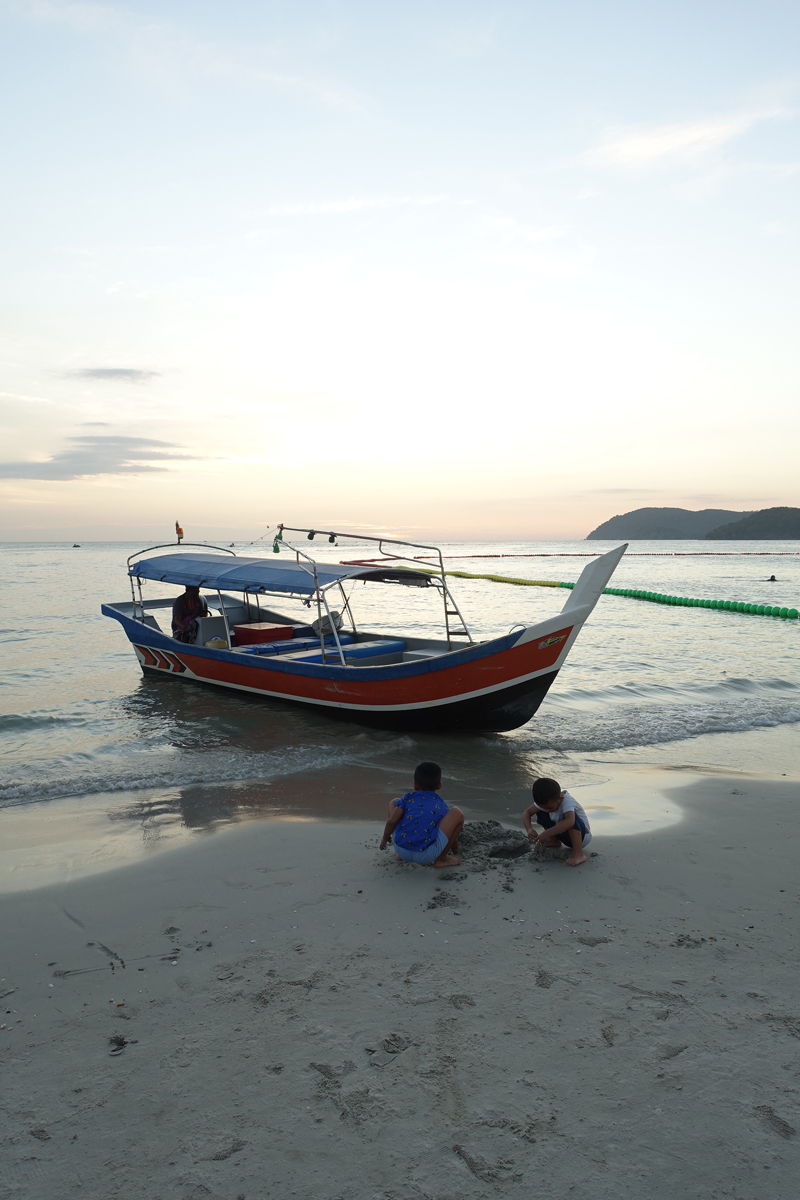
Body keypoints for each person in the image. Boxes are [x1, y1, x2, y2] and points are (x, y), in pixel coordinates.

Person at [380, 761, 464, 868]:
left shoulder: (407, 798)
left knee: (394, 802)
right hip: (425, 855)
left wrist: (385, 838)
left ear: (415, 785)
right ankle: (442, 859)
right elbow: (449, 830)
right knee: (457, 812)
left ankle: (399, 855)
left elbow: (392, 821)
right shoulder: (442, 805)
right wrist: (455, 849)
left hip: (401, 849)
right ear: (439, 785)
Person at [522, 777, 592, 868]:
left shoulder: (567, 800)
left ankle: (578, 854)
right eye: (544, 807)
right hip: (564, 835)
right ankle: (553, 840)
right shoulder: (546, 802)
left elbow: (571, 822)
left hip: (581, 837)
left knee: (570, 818)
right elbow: (526, 813)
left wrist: (547, 833)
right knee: (540, 812)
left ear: (560, 799)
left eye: (550, 807)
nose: (547, 810)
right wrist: (529, 829)